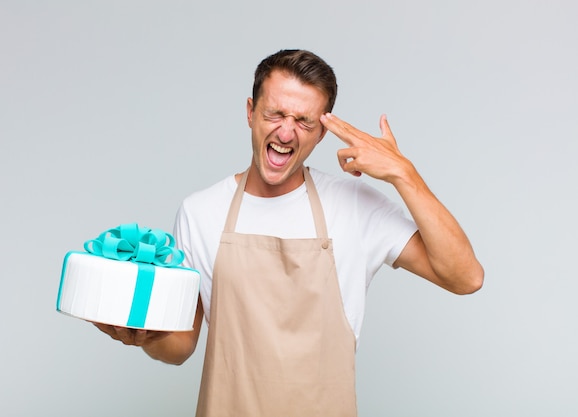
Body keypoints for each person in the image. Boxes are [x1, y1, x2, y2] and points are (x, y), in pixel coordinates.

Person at [94, 49, 484, 416]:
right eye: (275, 113)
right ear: (250, 112)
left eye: (304, 121)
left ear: (322, 133)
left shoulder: (356, 207)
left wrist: (404, 173)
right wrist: (145, 336)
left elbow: (465, 277)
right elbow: (181, 346)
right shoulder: (201, 212)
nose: (286, 132)